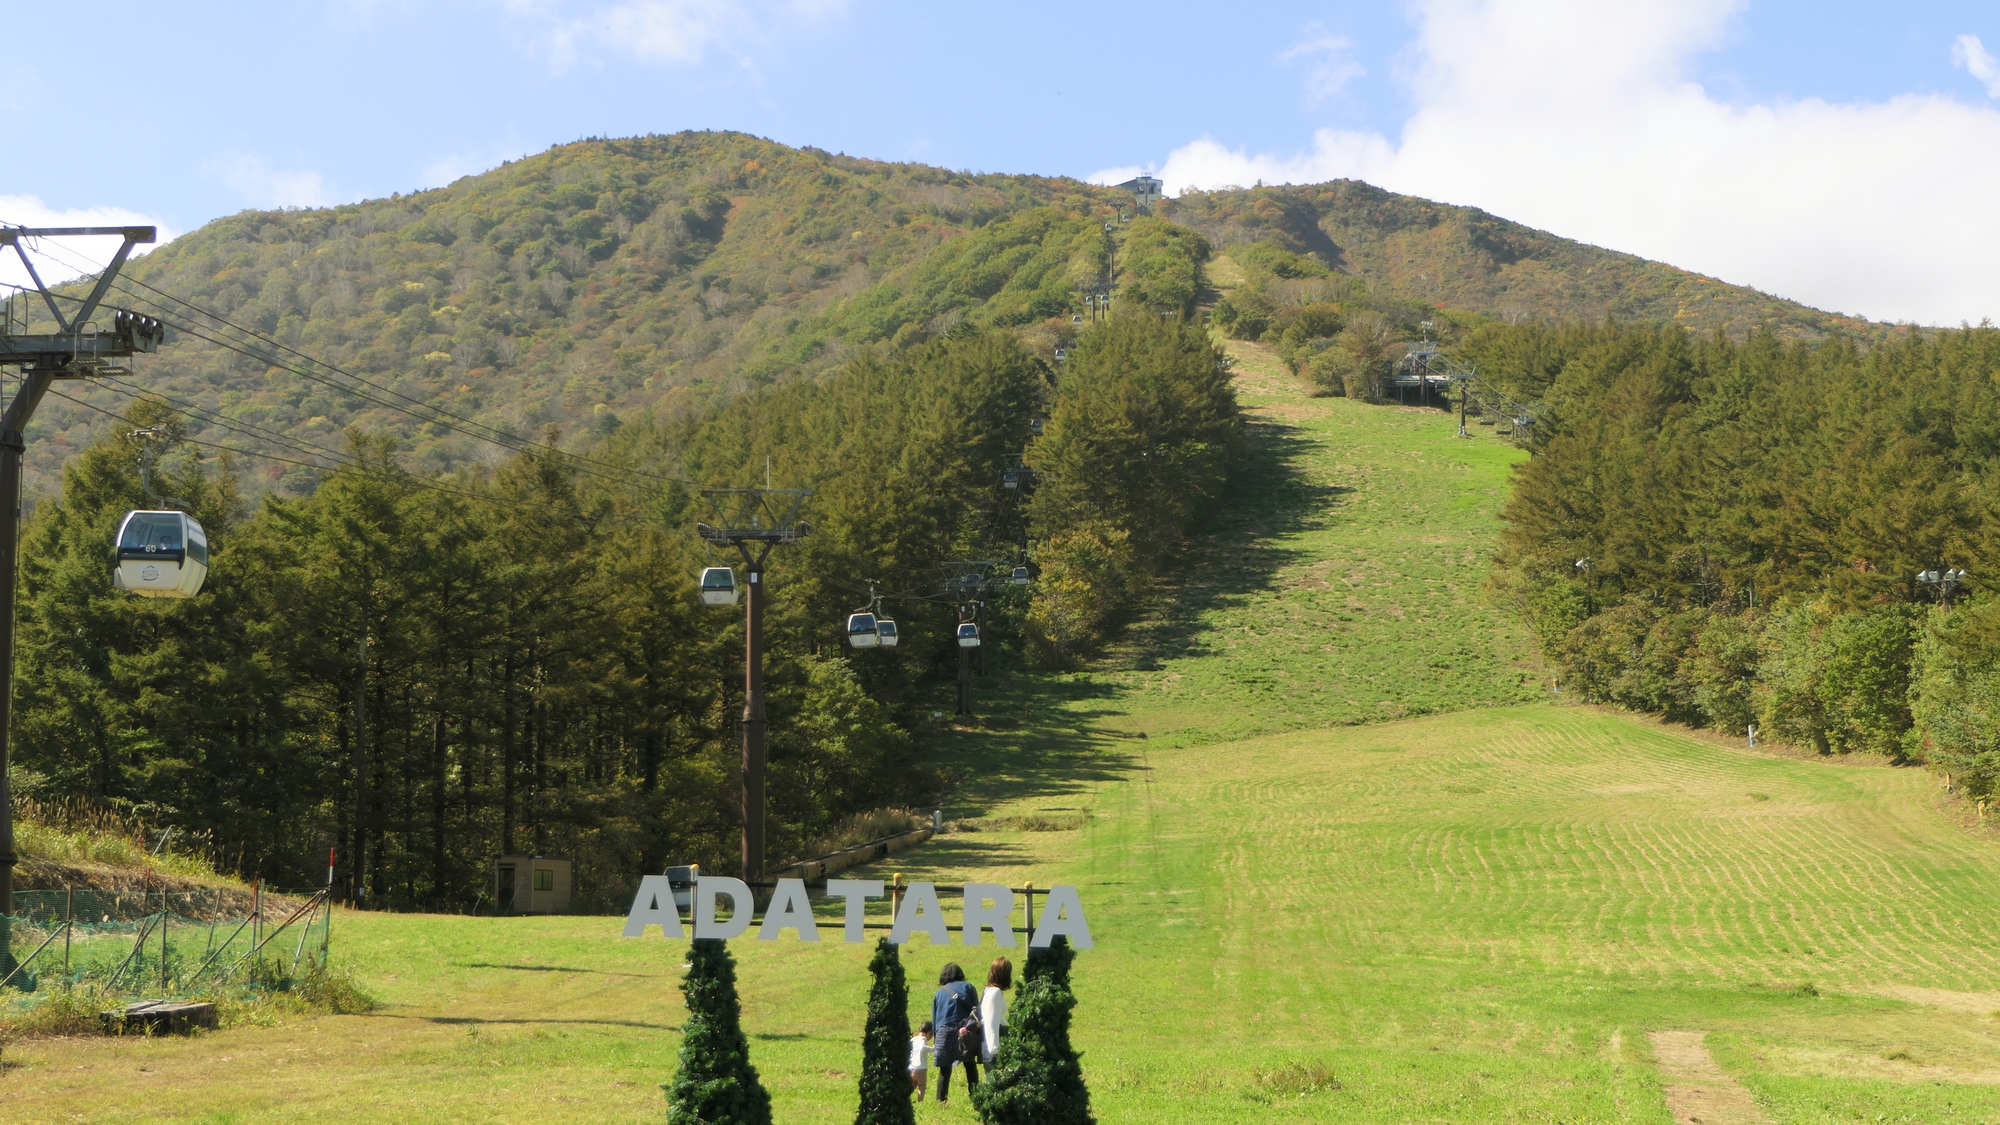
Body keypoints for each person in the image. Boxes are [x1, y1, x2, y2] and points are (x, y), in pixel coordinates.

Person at [930, 962, 979, 1103]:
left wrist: (936, 1041)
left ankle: (941, 1100)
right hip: (964, 1031)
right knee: (970, 1065)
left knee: (944, 1070)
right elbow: (976, 1011)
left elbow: (935, 1018)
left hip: (944, 1031)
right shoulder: (968, 987)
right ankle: (976, 1097)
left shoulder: (939, 993)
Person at [979, 957, 1011, 1065]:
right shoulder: (995, 992)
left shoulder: (988, 990)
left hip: (988, 1043)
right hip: (994, 1044)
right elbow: (991, 1022)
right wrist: (995, 1049)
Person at [908, 1019, 933, 1102]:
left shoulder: (913, 1039)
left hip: (911, 1067)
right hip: (921, 1067)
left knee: (912, 1085)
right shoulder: (923, 1039)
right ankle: (920, 1101)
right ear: (928, 1032)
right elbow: (922, 1048)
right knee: (922, 1086)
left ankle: (905, 1099)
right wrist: (933, 1049)